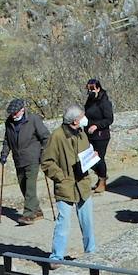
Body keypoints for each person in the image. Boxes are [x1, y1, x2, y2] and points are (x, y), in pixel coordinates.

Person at [40, 106, 97, 264]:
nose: (85, 119)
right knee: (63, 223)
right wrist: (61, 178)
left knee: (88, 223)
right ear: (75, 121)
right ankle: (56, 257)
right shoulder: (57, 136)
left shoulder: (81, 133)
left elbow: (86, 153)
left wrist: (92, 157)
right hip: (66, 186)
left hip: (83, 184)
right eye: (82, 117)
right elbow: (46, 162)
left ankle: (91, 253)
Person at [0, 99, 50, 224]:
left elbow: (45, 137)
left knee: (30, 187)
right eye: (12, 113)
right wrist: (4, 154)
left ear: (22, 110)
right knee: (23, 186)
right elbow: (7, 140)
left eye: (15, 113)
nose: (13, 115)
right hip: (18, 159)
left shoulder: (33, 120)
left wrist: (43, 153)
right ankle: (37, 211)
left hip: (33, 158)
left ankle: (28, 215)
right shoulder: (9, 122)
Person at [83, 78, 114, 192]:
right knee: (88, 158)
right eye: (89, 89)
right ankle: (101, 175)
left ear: (98, 88)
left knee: (99, 158)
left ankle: (102, 180)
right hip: (89, 135)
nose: (90, 91)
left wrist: (97, 125)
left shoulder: (104, 102)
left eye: (92, 89)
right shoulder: (89, 101)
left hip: (101, 135)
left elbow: (109, 119)